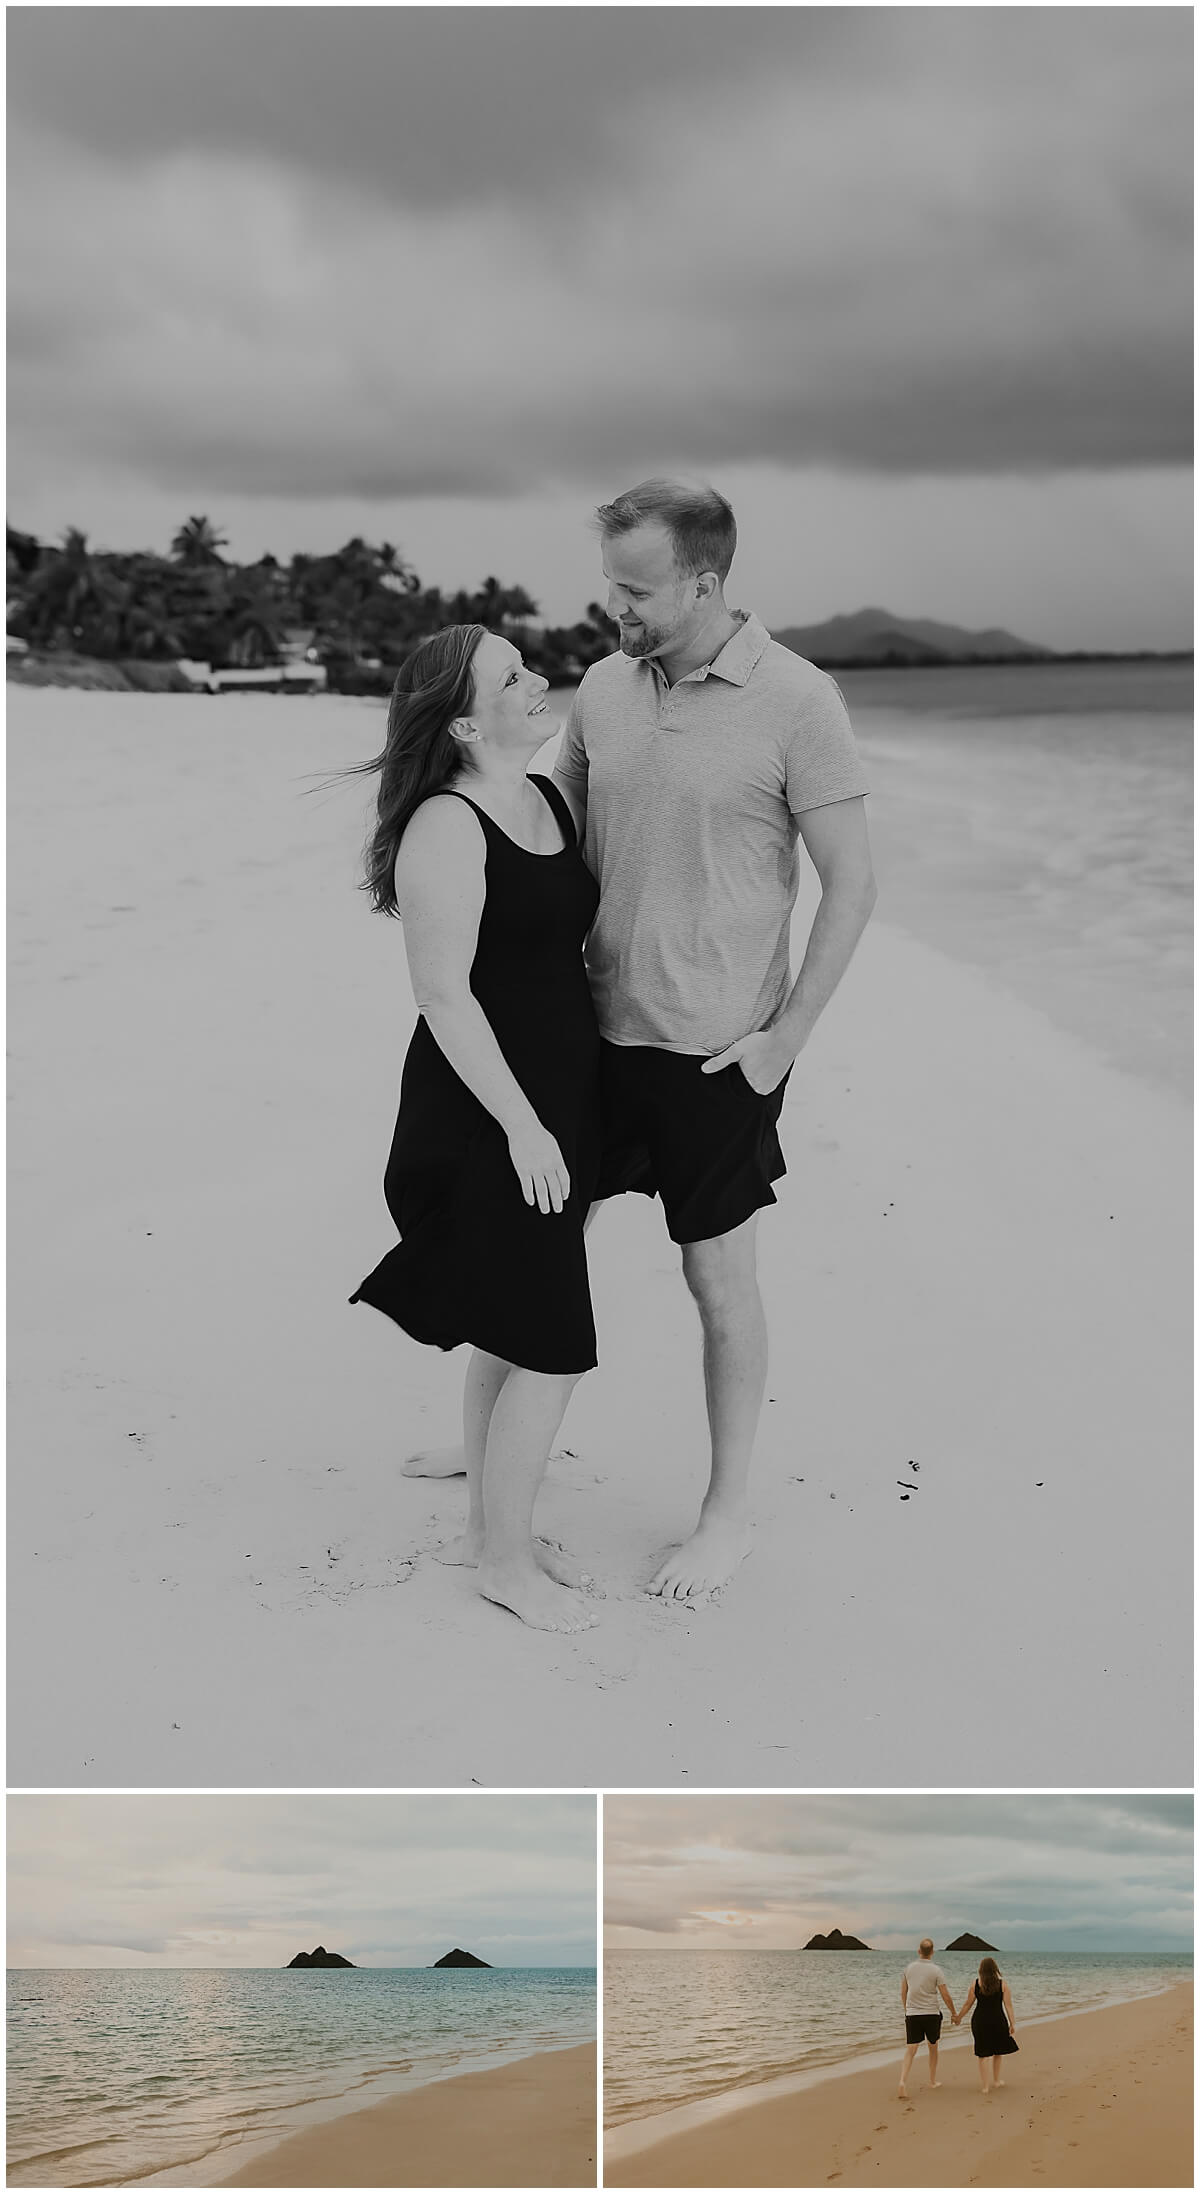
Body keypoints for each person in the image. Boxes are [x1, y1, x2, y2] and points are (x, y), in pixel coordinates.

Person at [553, 478, 877, 1599]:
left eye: (636, 590)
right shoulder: (600, 687)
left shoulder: (797, 700)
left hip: (715, 1051)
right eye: (611, 584)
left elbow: (852, 885)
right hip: (592, 1032)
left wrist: (784, 1042)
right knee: (538, 1237)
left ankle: (726, 1510)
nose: (615, 609)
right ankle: (496, 1439)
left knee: (717, 1280)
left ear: (705, 581)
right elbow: (552, 837)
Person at [347, 624, 603, 1634]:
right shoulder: (446, 826)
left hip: (563, 1098)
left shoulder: (543, 797)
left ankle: (486, 1492)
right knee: (555, 1343)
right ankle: (501, 1554)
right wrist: (524, 1129)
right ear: (463, 720)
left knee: (515, 1306)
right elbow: (444, 997)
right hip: (489, 1110)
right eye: (513, 675)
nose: (539, 681)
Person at [898, 1939, 957, 2097]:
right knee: (933, 2048)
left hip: (912, 2015)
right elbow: (945, 1995)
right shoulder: (936, 1970)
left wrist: (907, 2009)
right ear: (932, 1952)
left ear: (919, 1951)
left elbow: (903, 1992)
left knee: (911, 2050)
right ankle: (932, 2081)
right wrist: (954, 2012)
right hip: (931, 2014)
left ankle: (903, 2081)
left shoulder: (909, 1968)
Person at [954, 1956, 1019, 2093]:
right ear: (995, 1969)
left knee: (983, 2055)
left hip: (980, 2021)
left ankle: (985, 2087)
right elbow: (1009, 2006)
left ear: (981, 1970)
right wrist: (1012, 2023)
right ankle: (996, 2081)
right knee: (997, 2052)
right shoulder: (1003, 1985)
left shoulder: (976, 1984)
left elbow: (968, 2004)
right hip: (998, 2021)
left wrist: (959, 2017)